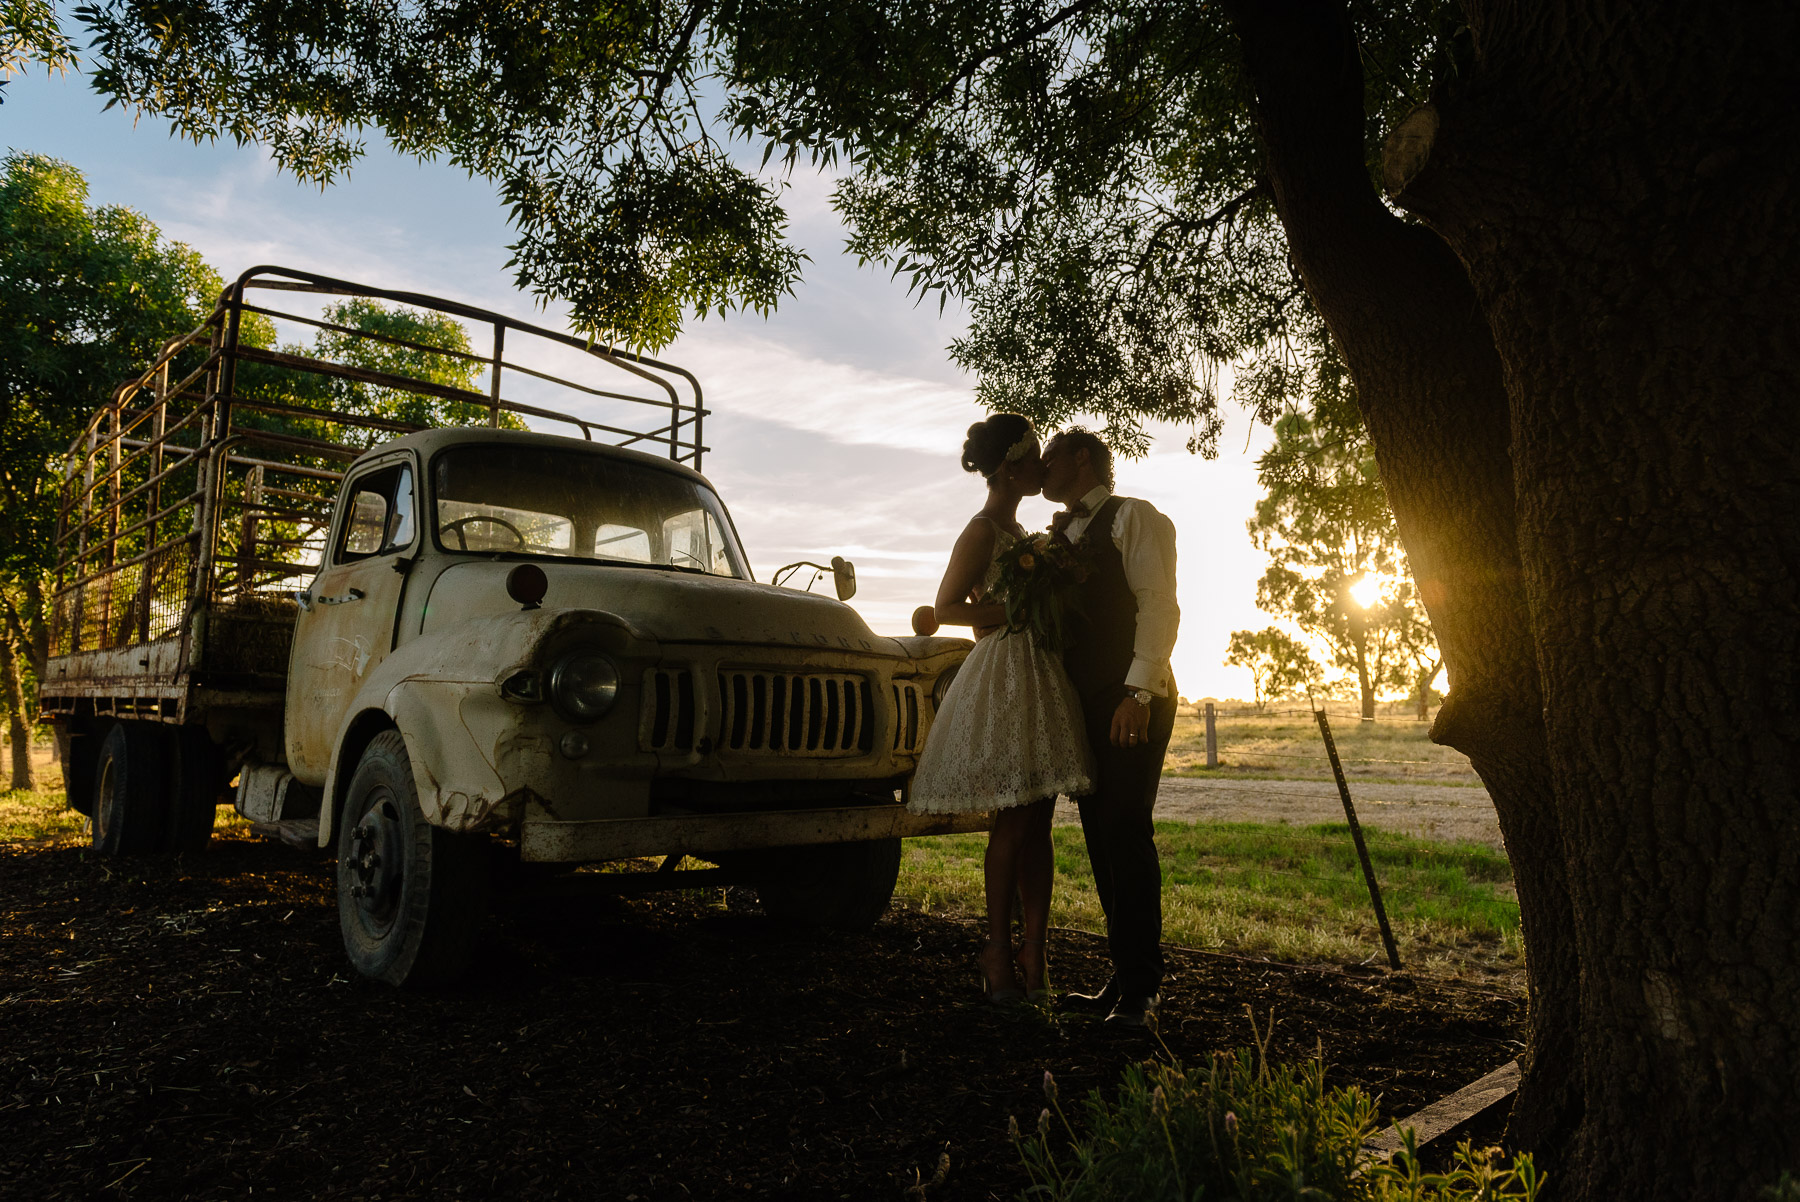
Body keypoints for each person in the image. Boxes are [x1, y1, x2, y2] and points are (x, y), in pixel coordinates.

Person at [908, 414, 1094, 1004]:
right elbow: (944, 608)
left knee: (1039, 823)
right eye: (1035, 455)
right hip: (1003, 671)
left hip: (1039, 671)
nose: (1042, 465)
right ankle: (996, 953)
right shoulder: (984, 530)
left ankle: (1034, 953)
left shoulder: (1025, 534)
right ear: (1012, 466)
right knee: (1013, 822)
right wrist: (1010, 612)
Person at [1039, 427, 1180, 1028]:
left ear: (1080, 459)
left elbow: (1158, 605)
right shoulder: (1060, 535)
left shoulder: (1134, 518)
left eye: (1048, 458)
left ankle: (1144, 991)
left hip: (1131, 699)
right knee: (1099, 835)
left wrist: (1137, 692)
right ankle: (1124, 976)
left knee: (1125, 830)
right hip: (1084, 703)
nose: (1039, 471)